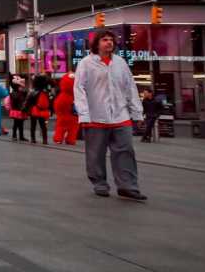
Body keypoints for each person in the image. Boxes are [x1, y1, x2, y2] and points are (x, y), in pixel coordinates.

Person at [74, 30, 147, 201]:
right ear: (97, 44)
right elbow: (79, 89)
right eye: (105, 40)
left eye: (111, 40)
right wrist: (84, 115)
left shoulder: (120, 63)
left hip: (121, 117)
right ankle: (99, 183)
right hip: (95, 117)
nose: (109, 43)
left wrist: (137, 113)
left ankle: (127, 186)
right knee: (96, 154)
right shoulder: (86, 63)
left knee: (125, 151)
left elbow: (130, 88)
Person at [53, 74, 80, 145]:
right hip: (73, 115)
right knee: (73, 127)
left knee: (61, 125)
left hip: (63, 115)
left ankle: (58, 138)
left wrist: (58, 113)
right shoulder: (76, 96)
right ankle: (70, 139)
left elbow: (57, 105)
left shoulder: (61, 96)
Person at [26, 75, 51, 144]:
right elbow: (49, 101)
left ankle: (33, 139)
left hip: (34, 110)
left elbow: (28, 101)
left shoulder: (33, 91)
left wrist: (26, 109)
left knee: (33, 125)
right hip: (43, 111)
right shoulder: (46, 91)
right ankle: (45, 140)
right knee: (43, 126)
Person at [9, 75, 28, 143]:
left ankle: (21, 136)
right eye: (20, 87)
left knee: (21, 124)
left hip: (20, 110)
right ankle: (14, 136)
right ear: (17, 87)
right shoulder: (14, 93)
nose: (22, 88)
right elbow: (16, 100)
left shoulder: (21, 93)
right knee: (16, 124)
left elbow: (24, 99)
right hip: (16, 110)